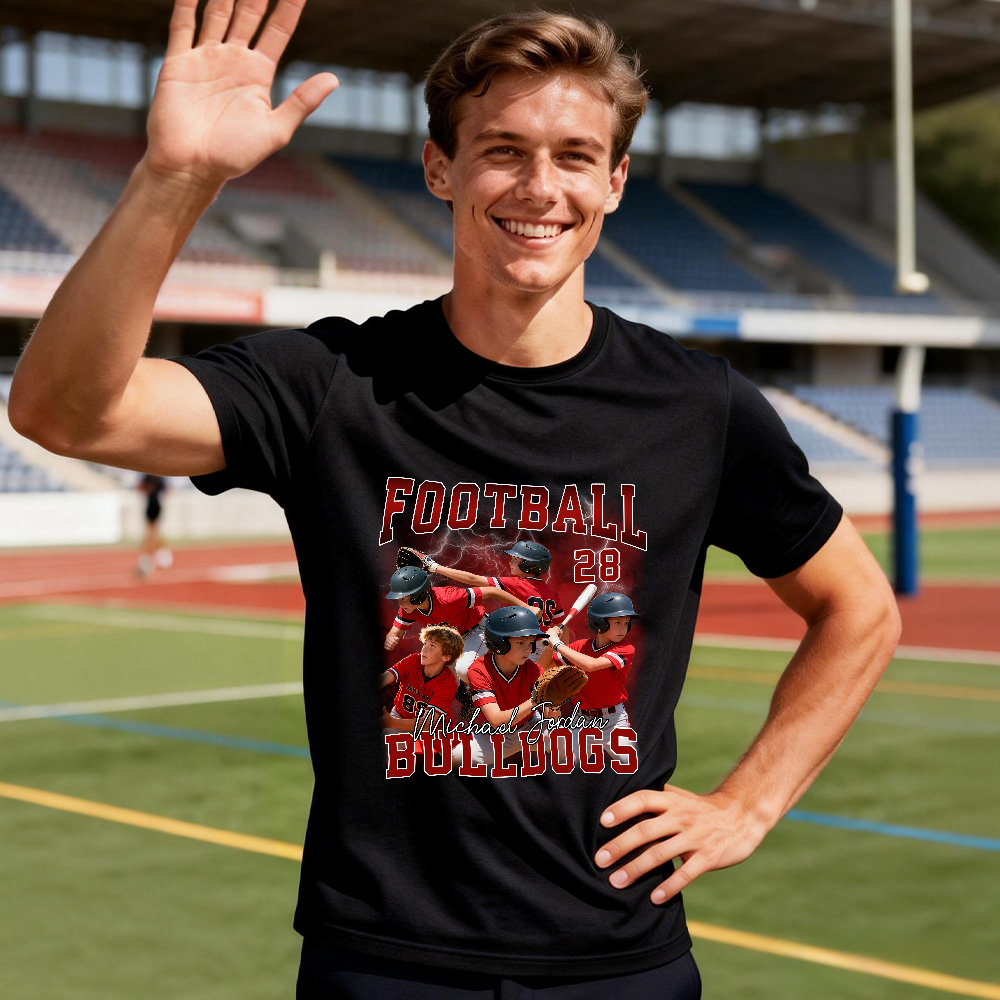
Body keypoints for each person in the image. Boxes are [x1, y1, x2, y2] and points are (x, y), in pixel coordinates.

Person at [7, 1, 901, 997]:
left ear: (613, 182)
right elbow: (64, 413)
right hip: (383, 962)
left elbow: (858, 609)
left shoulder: (700, 406)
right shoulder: (331, 385)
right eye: (503, 150)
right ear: (440, 169)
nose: (539, 187)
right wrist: (177, 178)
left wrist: (749, 803)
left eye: (574, 156)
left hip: (616, 963)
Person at [547, 591, 638, 766]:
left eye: (626, 622)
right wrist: (549, 641)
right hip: (582, 721)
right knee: (563, 765)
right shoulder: (580, 647)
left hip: (614, 721)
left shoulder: (625, 648)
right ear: (599, 623)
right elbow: (546, 666)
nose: (623, 628)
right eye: (617, 622)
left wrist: (557, 644)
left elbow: (592, 665)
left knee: (632, 767)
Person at [135, 472, 172, 576]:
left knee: (152, 533)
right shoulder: (158, 477)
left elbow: (140, 488)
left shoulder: (152, 476)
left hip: (153, 505)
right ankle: (161, 556)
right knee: (152, 532)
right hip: (153, 505)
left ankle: (153, 558)